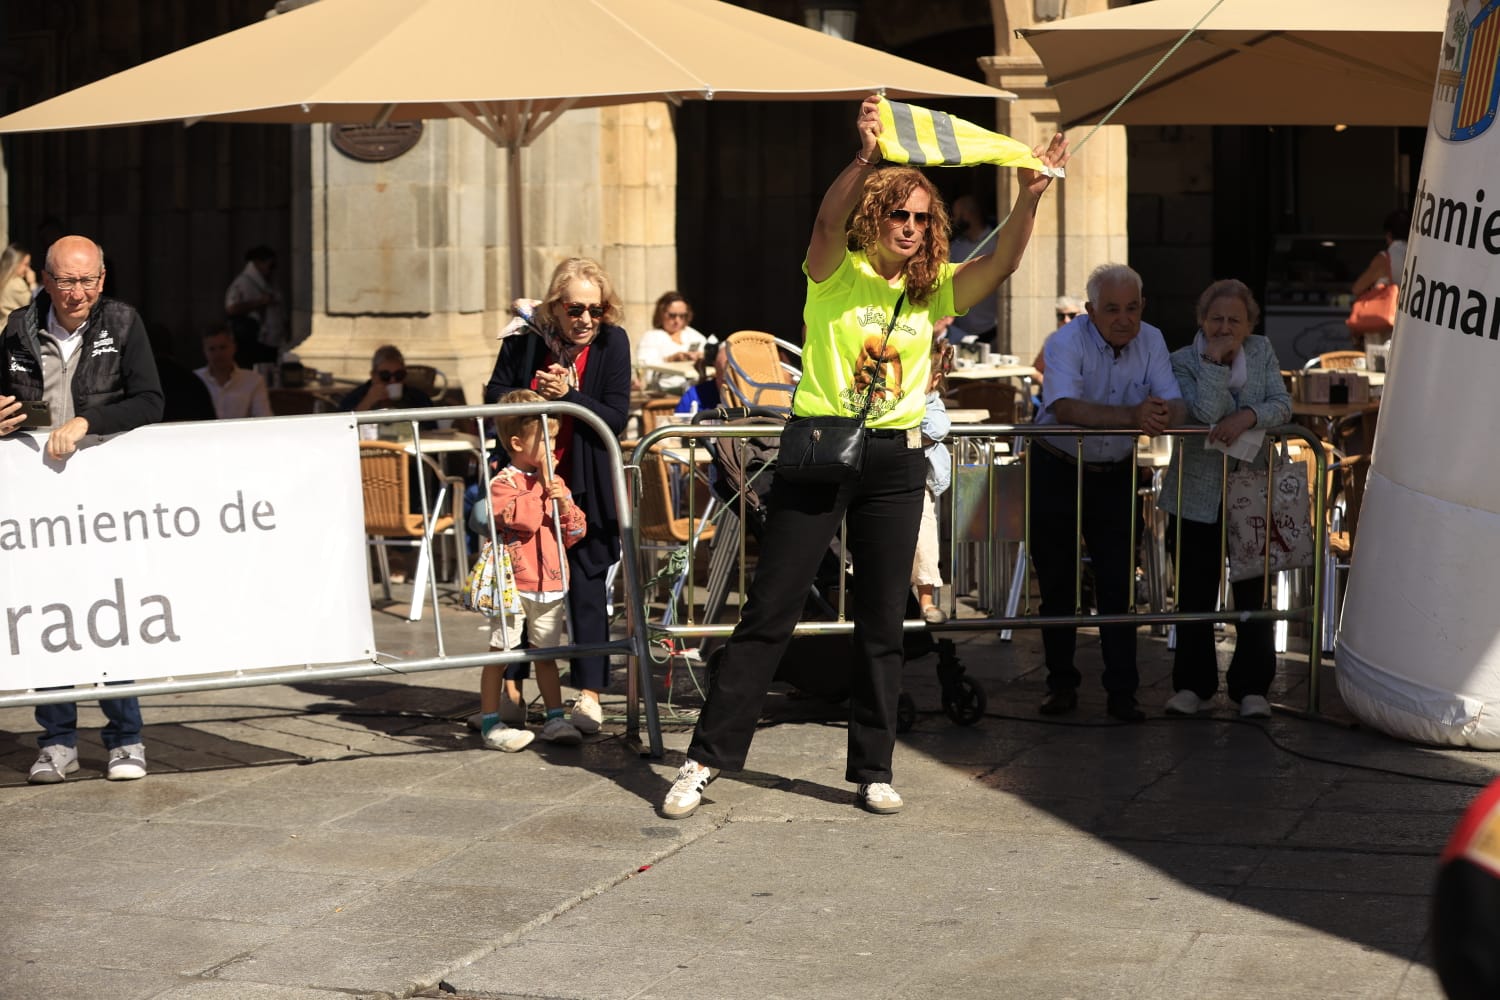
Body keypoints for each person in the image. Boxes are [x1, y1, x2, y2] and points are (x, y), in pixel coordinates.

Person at [660, 94, 1068, 820]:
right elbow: (824, 223)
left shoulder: (932, 289)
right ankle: (705, 758)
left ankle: (873, 768)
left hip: (896, 459)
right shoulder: (835, 272)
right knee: (771, 609)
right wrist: (864, 158)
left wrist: (1030, 196)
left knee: (884, 619)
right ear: (874, 217)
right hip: (821, 447)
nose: (910, 227)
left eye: (922, 218)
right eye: (898, 215)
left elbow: (1002, 261)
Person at [0, 235, 165, 783]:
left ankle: (125, 738)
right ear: (46, 281)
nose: (79, 293)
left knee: (110, 612)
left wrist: (88, 422)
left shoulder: (122, 323)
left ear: (102, 278)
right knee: (49, 616)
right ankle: (57, 741)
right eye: (68, 281)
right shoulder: (18, 328)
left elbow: (150, 400)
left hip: (106, 498)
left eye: (89, 280)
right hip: (39, 499)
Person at [1030, 263, 1185, 723]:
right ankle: (1061, 684)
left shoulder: (1152, 339)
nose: (1124, 319)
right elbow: (1065, 408)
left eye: (1132, 308)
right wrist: (1135, 416)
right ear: (1090, 310)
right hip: (1057, 466)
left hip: (1115, 470)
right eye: (1112, 309)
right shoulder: (1065, 341)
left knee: (1118, 583)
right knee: (1057, 583)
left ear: (1143, 307)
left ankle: (1123, 692)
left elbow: (1174, 401)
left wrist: (1163, 415)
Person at [484, 258, 632, 736]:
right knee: (522, 590)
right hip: (527, 486)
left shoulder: (612, 342)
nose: (586, 319)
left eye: (596, 309)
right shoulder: (524, 339)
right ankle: (512, 687)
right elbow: (494, 396)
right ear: (555, 306)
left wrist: (570, 395)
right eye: (575, 309)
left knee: (587, 586)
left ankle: (589, 694)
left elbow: (616, 416)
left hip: (583, 483)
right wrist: (534, 392)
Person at [1158, 280, 1291, 719]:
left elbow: (1282, 405)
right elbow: (1204, 412)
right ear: (1201, 320)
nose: (1225, 327)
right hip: (1196, 492)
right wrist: (1214, 362)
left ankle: (1252, 687)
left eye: (1235, 319)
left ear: (1250, 324)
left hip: (1251, 489)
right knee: (1194, 592)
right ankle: (1192, 685)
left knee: (1253, 591)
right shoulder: (1181, 360)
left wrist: (1247, 415)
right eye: (1216, 318)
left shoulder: (1262, 351)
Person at [481, 389, 590, 748]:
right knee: (501, 653)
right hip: (513, 583)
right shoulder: (503, 484)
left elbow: (575, 532)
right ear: (517, 443)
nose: (551, 448)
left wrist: (564, 504)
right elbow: (524, 520)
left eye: (554, 439)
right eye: (544, 440)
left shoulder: (555, 483)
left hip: (550, 582)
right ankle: (490, 721)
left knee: (546, 654)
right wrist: (542, 487)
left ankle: (555, 718)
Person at [912, 344, 953, 624]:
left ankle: (926, 601)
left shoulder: (931, 403)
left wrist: (904, 427)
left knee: (924, 538)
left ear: (934, 380)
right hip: (889, 476)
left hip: (920, 483)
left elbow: (937, 428)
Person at [1349, 208, 1410, 346]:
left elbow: (1357, 288)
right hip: (1411, 323)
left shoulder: (1384, 258)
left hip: (1386, 327)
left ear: (1388, 235)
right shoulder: (1420, 256)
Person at [943, 195, 999, 344]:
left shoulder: (996, 242)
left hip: (992, 330)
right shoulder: (955, 247)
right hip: (961, 333)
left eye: (956, 215)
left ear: (968, 214)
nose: (953, 220)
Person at [225, 244, 285, 367]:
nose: (272, 269)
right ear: (258, 262)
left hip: (269, 339)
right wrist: (260, 302)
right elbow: (231, 308)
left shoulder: (268, 281)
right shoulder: (243, 282)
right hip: (253, 339)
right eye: (270, 264)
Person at [195, 326, 271, 419]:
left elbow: (263, 419)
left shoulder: (254, 381)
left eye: (223, 347)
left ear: (234, 347)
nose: (218, 354)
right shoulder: (195, 380)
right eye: (212, 349)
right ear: (204, 351)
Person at [338, 345, 436, 414]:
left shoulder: (418, 398)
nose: (393, 381)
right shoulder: (356, 397)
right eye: (385, 376)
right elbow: (343, 428)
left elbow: (431, 427)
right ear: (373, 375)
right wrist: (368, 402)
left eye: (399, 375)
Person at [635, 291, 706, 367]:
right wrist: (670, 359)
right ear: (661, 314)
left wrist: (702, 356)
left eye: (682, 316)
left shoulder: (693, 334)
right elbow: (643, 365)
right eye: (672, 315)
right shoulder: (651, 337)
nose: (677, 320)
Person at [0, 242, 38, 324]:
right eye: (26, 265)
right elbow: (34, 305)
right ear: (15, 263)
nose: (27, 269)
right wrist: (33, 284)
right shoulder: (16, 284)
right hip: (11, 327)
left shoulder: (4, 281)